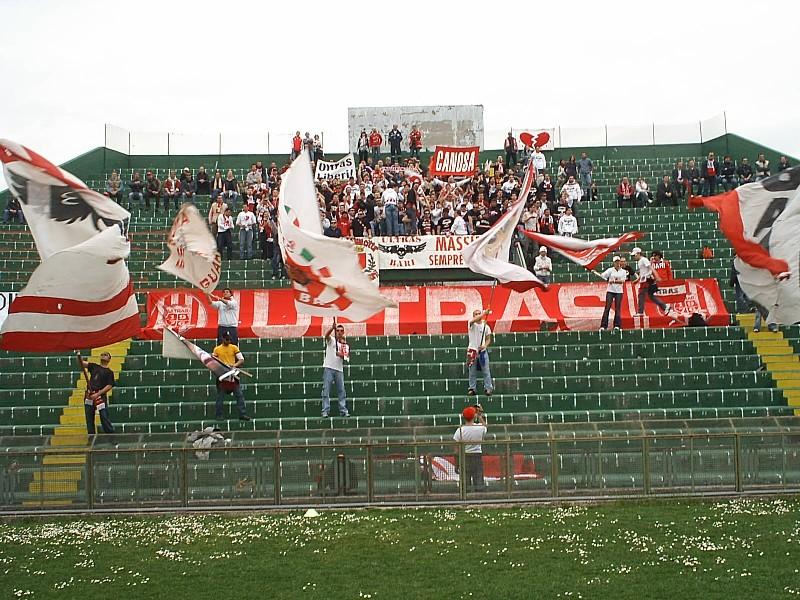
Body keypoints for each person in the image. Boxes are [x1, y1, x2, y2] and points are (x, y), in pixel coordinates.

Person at [212, 333, 250, 421]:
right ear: (223, 339)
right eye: (227, 339)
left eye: (229, 339)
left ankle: (242, 414)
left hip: (233, 375)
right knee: (220, 397)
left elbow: (241, 359)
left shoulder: (234, 347)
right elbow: (214, 362)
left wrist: (234, 365)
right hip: (222, 375)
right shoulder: (217, 349)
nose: (228, 341)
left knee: (239, 396)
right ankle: (219, 415)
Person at [76, 350, 115, 435]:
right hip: (89, 395)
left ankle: (111, 436)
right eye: (102, 354)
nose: (103, 355)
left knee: (104, 416)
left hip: (100, 396)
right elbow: (81, 363)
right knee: (89, 417)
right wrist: (78, 354)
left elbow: (109, 385)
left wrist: (98, 394)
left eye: (106, 355)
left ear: (109, 359)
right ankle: (91, 437)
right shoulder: (94, 366)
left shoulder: (109, 372)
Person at [453, 404, 487, 493]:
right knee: (478, 480)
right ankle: (479, 498)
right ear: (474, 416)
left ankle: (465, 499)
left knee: (465, 482)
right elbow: (485, 426)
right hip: (477, 456)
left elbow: (456, 448)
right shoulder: (479, 428)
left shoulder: (460, 430)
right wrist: (480, 415)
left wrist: (456, 463)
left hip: (465, 457)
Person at [321, 322, 350, 418]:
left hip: (339, 369)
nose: (339, 332)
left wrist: (340, 354)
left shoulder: (345, 345)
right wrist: (331, 328)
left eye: (341, 331)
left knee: (341, 390)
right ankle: (325, 410)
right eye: (337, 331)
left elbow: (346, 357)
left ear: (343, 332)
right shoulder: (331, 340)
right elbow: (326, 336)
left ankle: (343, 410)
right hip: (329, 367)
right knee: (326, 390)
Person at [631, 247, 671, 316]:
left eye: (634, 255)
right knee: (650, 296)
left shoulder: (644, 260)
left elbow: (651, 268)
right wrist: (637, 280)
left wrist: (657, 276)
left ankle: (640, 312)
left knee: (641, 295)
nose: (633, 257)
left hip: (646, 280)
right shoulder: (640, 261)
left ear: (638, 254)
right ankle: (665, 307)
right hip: (645, 280)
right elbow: (642, 272)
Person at [594, 255, 628, 331]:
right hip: (610, 291)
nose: (617, 263)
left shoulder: (623, 271)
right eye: (616, 262)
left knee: (617, 308)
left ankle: (617, 325)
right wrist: (600, 275)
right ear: (613, 263)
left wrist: (613, 281)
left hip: (619, 292)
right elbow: (603, 276)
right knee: (607, 308)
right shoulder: (610, 270)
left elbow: (622, 281)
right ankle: (603, 325)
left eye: (618, 261)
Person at [467, 308, 493, 396]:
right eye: (476, 314)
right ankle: (472, 388)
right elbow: (474, 321)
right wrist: (484, 313)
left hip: (482, 351)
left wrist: (484, 346)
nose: (478, 315)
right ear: (473, 316)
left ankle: (488, 388)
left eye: (479, 313)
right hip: (472, 351)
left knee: (486, 371)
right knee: (472, 372)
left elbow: (488, 339)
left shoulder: (486, 326)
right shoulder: (471, 324)